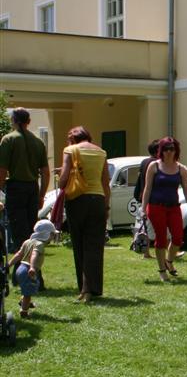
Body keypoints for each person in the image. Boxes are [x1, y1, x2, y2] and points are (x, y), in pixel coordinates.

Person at [58, 126, 111, 302]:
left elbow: (64, 179)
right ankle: (92, 288)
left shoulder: (70, 150)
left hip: (77, 200)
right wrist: (106, 206)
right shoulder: (101, 152)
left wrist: (61, 178)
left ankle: (84, 288)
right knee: (94, 245)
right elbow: (105, 181)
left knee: (79, 243)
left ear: (73, 138)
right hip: (98, 200)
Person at [141, 137, 187, 281]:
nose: (169, 152)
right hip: (156, 207)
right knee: (161, 239)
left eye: (172, 148)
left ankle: (169, 261)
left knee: (178, 237)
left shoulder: (180, 169)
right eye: (166, 149)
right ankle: (162, 270)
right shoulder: (154, 166)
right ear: (161, 151)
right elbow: (147, 189)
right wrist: (143, 208)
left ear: (176, 150)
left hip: (174, 207)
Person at [0, 108, 50, 252]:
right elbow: (45, 173)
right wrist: (41, 195)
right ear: (29, 121)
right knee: (31, 230)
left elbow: (2, 170)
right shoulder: (38, 142)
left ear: (13, 120)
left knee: (18, 231)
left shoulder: (9, 139)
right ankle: (34, 267)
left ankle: (21, 270)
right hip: (32, 188)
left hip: (16, 189)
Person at [7, 219, 58, 318]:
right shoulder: (39, 244)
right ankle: (24, 311)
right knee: (28, 293)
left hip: (20, 269)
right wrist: (32, 267)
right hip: (27, 270)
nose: (52, 237)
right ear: (46, 234)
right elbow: (34, 254)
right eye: (52, 234)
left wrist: (9, 264)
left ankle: (25, 302)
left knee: (29, 287)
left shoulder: (28, 241)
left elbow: (19, 254)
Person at [133, 139, 159, 259]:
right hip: (153, 198)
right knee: (154, 225)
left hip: (142, 196)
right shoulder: (156, 163)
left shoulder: (144, 162)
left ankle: (146, 252)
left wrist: (137, 194)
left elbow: (139, 180)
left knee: (145, 225)